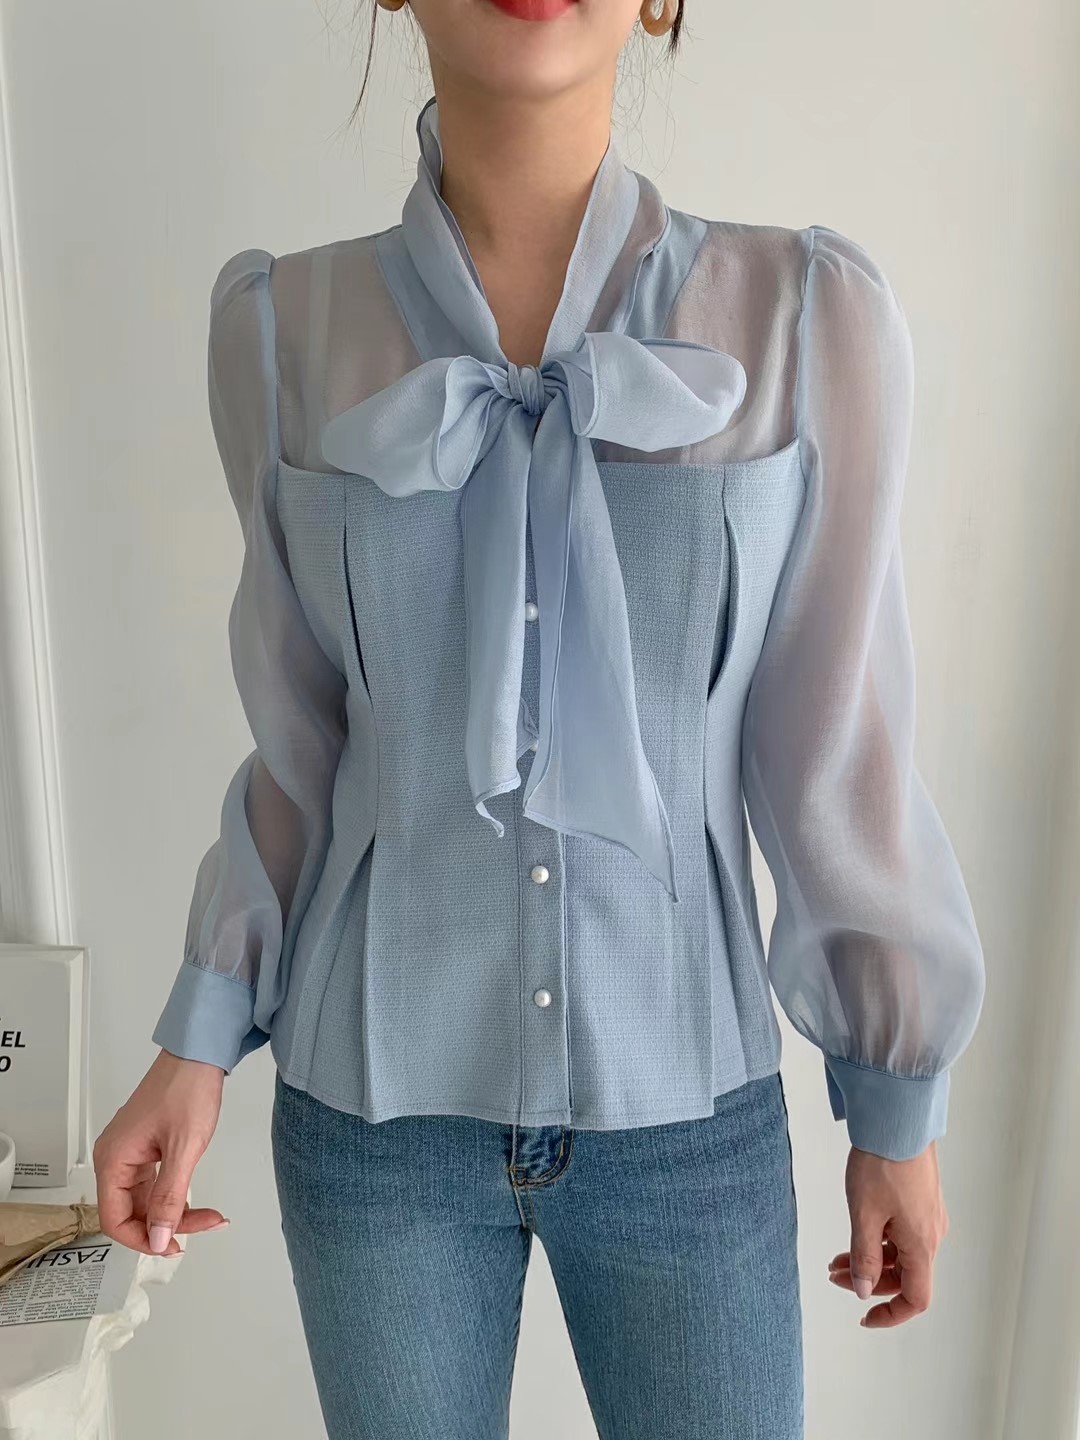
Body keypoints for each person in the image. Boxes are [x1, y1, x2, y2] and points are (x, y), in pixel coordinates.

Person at [93, 1, 986, 1435]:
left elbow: (838, 753)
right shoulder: (277, 335)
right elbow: (302, 750)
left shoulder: (803, 323)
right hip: (370, 1127)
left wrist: (894, 1101)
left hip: (690, 1127)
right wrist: (198, 1034)